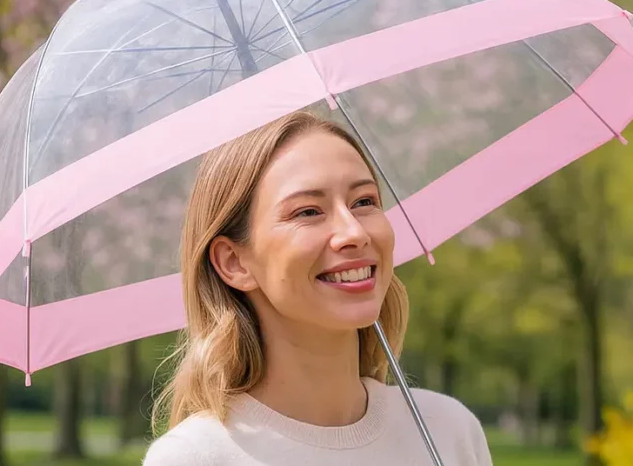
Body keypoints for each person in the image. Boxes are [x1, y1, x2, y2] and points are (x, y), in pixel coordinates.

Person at [143, 110, 492, 465]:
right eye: (308, 212)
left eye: (364, 202)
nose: (355, 232)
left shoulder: (449, 432)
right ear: (234, 262)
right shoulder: (195, 458)